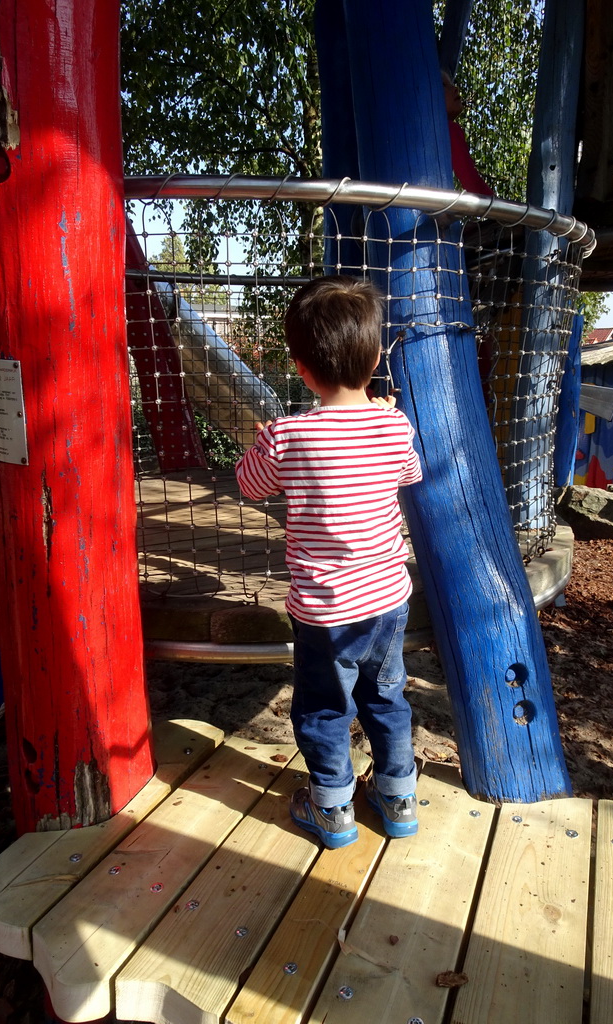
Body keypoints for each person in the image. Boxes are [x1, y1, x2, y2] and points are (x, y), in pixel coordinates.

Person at [235, 276, 423, 849]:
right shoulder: (394, 424)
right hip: (388, 601)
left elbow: (248, 485)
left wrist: (260, 438)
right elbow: (410, 475)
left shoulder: (289, 436)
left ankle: (333, 807)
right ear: (374, 358)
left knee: (323, 707)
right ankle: (397, 798)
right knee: (386, 695)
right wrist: (386, 420)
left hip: (323, 612)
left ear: (300, 367)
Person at [441, 71, 494, 196]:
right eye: (443, 85)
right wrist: (502, 211)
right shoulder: (448, 129)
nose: (455, 89)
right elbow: (472, 183)